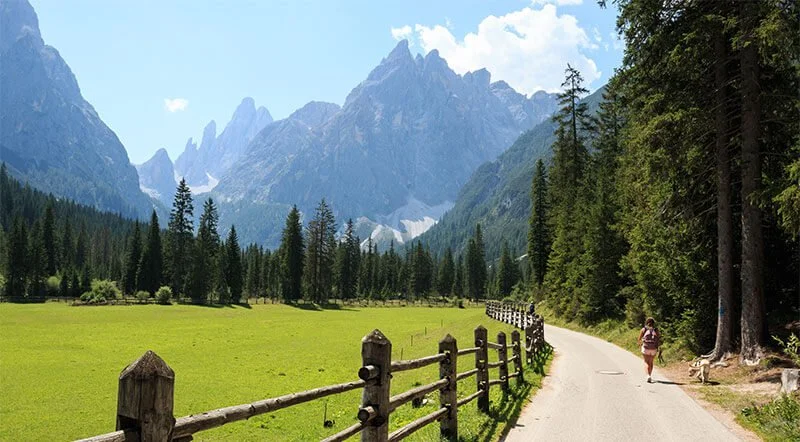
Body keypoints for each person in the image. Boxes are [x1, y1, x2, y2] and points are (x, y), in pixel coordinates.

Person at [637, 317, 660, 383]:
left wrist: (640, 344)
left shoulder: (644, 329)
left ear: (646, 322)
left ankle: (648, 376)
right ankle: (649, 375)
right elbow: (658, 339)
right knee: (651, 362)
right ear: (654, 323)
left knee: (646, 362)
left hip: (646, 348)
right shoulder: (656, 330)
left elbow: (639, 339)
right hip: (654, 348)